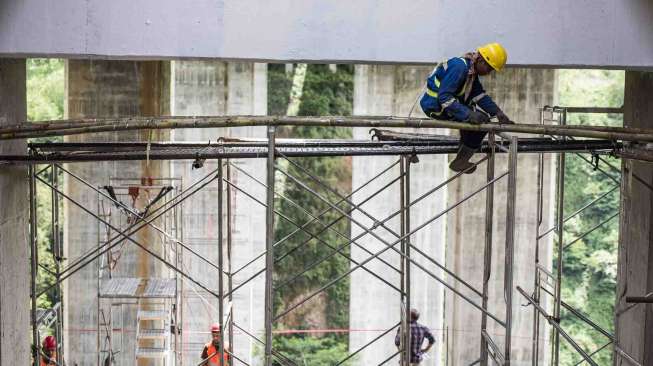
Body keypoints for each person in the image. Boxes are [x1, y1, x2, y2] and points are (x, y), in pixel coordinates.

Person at [420, 42, 514, 174]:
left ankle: (461, 155)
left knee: (480, 118)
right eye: (489, 68)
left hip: (443, 104)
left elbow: (479, 95)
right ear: (480, 60)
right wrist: (469, 115)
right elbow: (444, 98)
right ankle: (461, 161)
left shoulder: (471, 70)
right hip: (435, 107)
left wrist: (498, 112)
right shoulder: (460, 68)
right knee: (482, 123)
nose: (489, 73)